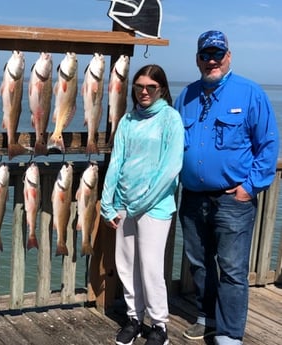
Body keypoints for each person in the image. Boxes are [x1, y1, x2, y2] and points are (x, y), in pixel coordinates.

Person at [175, 30, 279, 345]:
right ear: (197, 59)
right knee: (199, 263)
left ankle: (230, 333)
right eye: (205, 55)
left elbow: (269, 145)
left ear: (228, 57)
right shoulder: (187, 95)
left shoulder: (250, 93)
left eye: (217, 54)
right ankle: (207, 317)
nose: (211, 61)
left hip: (233, 200)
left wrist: (251, 187)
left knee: (233, 270)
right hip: (193, 198)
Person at [101, 64, 184, 345]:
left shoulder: (171, 119)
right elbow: (116, 163)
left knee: (150, 267)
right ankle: (134, 319)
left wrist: (142, 202)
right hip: (123, 205)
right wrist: (107, 203)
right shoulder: (127, 120)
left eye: (151, 87)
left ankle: (159, 325)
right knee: (126, 265)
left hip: (155, 208)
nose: (144, 92)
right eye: (139, 87)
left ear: (161, 89)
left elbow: (171, 167)